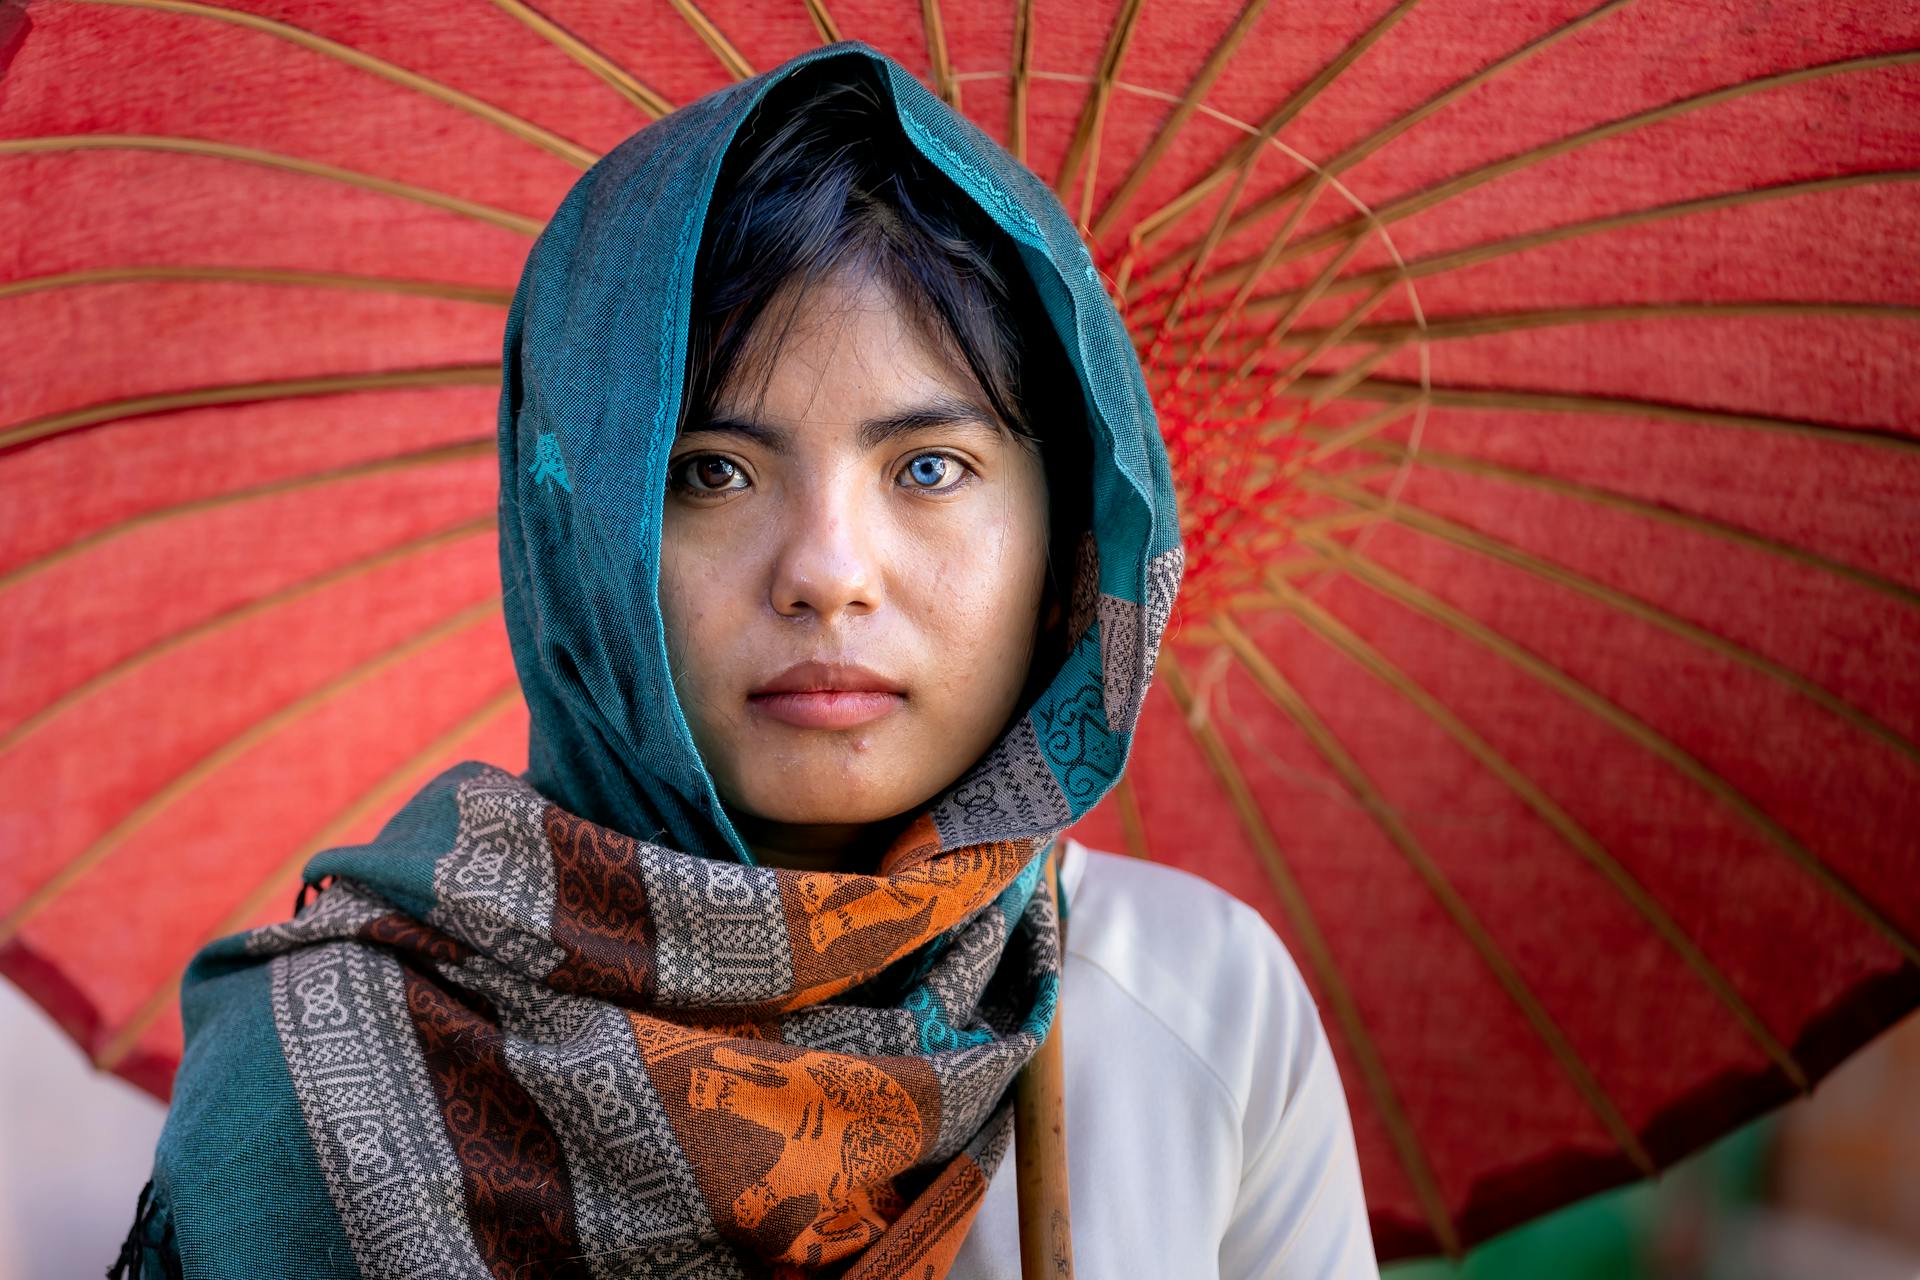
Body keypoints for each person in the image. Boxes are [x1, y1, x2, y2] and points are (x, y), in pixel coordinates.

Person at [113, 42, 1379, 1280]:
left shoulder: (1200, 1005)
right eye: (709, 472)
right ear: (578, 531)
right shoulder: (317, 1087)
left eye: (928, 468)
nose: (828, 571)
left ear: (1065, 538)